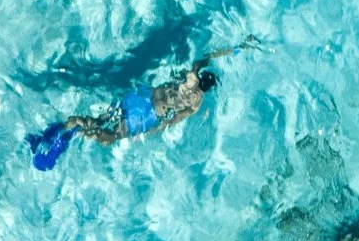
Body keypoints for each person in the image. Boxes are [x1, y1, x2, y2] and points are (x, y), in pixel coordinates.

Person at [28, 56, 227, 172]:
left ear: (201, 77)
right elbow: (172, 120)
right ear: (208, 89)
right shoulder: (196, 105)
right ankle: (74, 134)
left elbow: (203, 59)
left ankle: (68, 126)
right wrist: (149, 132)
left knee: (101, 119)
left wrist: (226, 51)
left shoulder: (191, 76)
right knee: (112, 136)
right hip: (147, 116)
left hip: (141, 96)